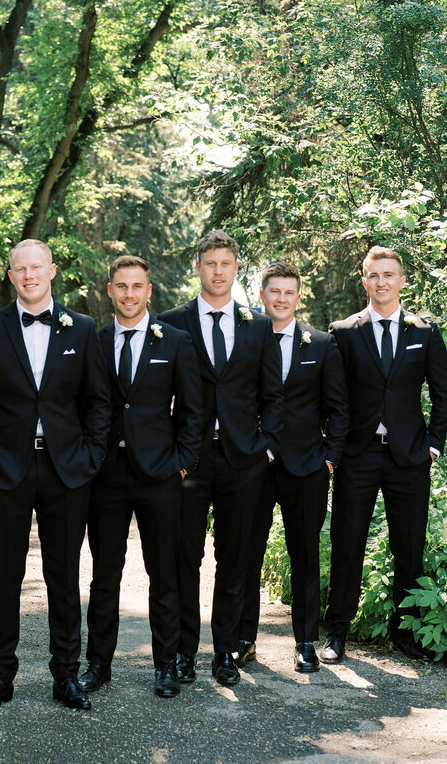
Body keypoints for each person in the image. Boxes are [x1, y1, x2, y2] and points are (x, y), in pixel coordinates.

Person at [0, 239, 112, 712]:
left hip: (67, 468)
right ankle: (0, 674)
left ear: (52, 271)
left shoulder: (83, 329)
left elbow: (98, 402)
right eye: (20, 269)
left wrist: (90, 455)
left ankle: (65, 675)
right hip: (5, 467)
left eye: (36, 268)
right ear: (10, 275)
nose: (28, 276)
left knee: (63, 576)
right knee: (5, 574)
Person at [159, 230, 283, 687]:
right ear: (198, 267)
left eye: (225, 263)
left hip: (243, 460)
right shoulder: (171, 323)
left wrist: (266, 446)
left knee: (235, 557)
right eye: (209, 263)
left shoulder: (258, 324)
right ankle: (184, 653)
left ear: (236, 269)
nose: (217, 271)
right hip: (189, 461)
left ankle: (225, 651)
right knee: (184, 557)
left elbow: (274, 394)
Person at [322, 246, 447, 664]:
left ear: (401, 281)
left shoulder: (424, 332)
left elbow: (443, 392)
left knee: (409, 547)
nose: (382, 282)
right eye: (374, 275)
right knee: (347, 544)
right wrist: (333, 447)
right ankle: (336, 633)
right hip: (357, 457)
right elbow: (330, 395)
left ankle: (406, 634)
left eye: (389, 275)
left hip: (409, 457)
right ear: (364, 281)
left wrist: (433, 444)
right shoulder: (342, 332)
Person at [78, 256, 203, 699]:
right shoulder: (94, 341)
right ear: (109, 291)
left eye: (137, 286)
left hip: (160, 475)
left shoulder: (175, 341)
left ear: (149, 291)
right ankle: (97, 665)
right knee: (104, 575)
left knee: (163, 574)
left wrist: (181, 463)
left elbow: (193, 412)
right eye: (121, 286)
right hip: (107, 476)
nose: (129, 294)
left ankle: (165, 665)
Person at [238, 262, 348, 674]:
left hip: (307, 466)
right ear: (263, 295)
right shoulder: (245, 339)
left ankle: (305, 643)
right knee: (248, 551)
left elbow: (338, 407)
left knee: (304, 555)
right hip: (254, 465)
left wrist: (329, 456)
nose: (281, 299)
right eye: (274, 291)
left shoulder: (320, 344)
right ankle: (245, 640)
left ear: (297, 298)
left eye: (289, 292)